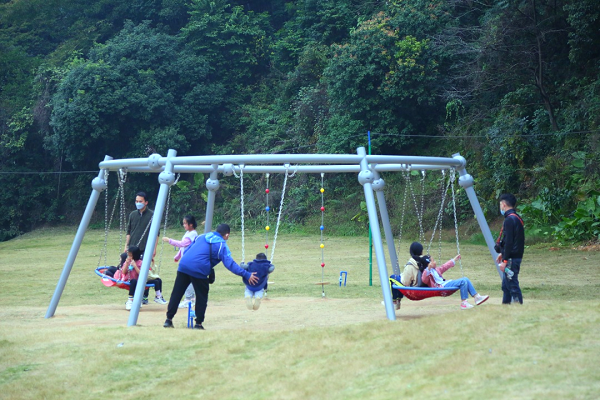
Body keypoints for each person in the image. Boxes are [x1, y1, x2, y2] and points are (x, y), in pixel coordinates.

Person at [163, 223, 259, 329]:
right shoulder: (221, 245)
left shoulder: (202, 236)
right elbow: (230, 264)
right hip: (199, 270)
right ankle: (198, 324)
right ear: (227, 235)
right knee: (201, 297)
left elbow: (188, 249)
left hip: (184, 265)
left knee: (176, 293)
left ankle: (168, 320)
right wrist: (246, 274)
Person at [121, 191, 160, 304]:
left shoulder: (152, 215)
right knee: (127, 263)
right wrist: (126, 246)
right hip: (133, 248)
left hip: (145, 248)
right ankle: (128, 287)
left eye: (140, 201)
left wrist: (154, 248)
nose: (138, 203)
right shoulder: (133, 214)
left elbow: (157, 233)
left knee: (143, 271)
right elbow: (128, 232)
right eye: (136, 201)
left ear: (146, 202)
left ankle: (144, 296)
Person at [421, 254, 489, 309]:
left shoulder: (436, 270)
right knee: (463, 281)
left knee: (466, 279)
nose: (435, 262)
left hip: (446, 284)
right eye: (433, 261)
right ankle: (464, 303)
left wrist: (453, 260)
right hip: (442, 288)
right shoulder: (427, 273)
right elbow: (424, 279)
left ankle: (476, 297)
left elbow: (444, 266)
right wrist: (428, 269)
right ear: (429, 263)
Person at [162, 215, 199, 309]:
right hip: (186, 260)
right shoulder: (188, 233)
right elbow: (183, 248)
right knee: (188, 279)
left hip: (189, 261)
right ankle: (190, 298)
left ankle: (189, 298)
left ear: (191, 224)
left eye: (185, 223)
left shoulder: (192, 234)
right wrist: (177, 257)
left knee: (187, 280)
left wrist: (169, 240)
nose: (184, 225)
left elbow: (182, 244)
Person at [495, 193, 525, 304]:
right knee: (506, 286)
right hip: (514, 256)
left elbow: (509, 242)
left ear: (503, 204)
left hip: (511, 259)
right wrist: (502, 253)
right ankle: (506, 307)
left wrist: (505, 260)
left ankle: (518, 306)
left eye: (500, 204)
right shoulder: (517, 218)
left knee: (512, 284)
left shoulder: (509, 220)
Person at [119, 246, 167, 310]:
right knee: (134, 281)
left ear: (135, 255)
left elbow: (142, 275)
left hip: (140, 281)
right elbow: (123, 272)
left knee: (157, 280)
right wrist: (127, 263)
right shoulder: (127, 262)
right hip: (130, 280)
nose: (129, 257)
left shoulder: (141, 263)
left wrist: (135, 266)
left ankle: (158, 296)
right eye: (128, 255)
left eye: (130, 256)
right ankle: (130, 300)